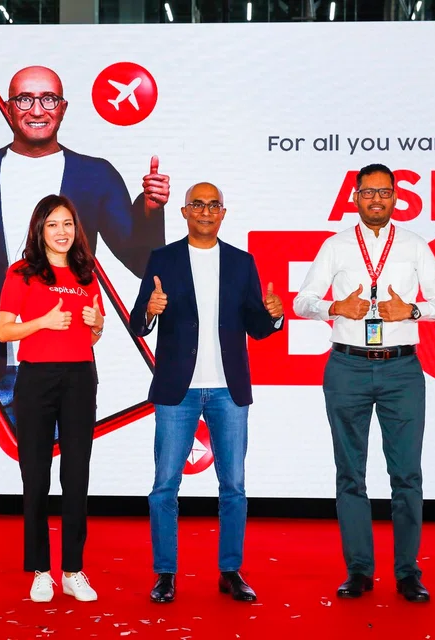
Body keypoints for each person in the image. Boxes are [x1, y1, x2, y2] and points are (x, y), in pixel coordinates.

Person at [0, 65, 170, 431]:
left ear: (63, 107)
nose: (36, 110)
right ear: (8, 107)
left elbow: (139, 259)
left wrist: (150, 210)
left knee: (59, 478)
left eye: (48, 99)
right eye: (24, 98)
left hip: (65, 361)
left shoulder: (96, 174)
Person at [293, 163, 435, 603]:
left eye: (384, 192)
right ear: (356, 197)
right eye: (368, 193)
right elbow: (301, 300)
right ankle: (359, 570)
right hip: (347, 368)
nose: (377, 200)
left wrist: (414, 312)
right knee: (350, 475)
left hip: (402, 370)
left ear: (396, 196)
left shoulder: (415, 245)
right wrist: (334, 308)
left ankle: (407, 573)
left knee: (407, 476)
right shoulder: (336, 245)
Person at [129, 182, 284, 604]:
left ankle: (230, 571)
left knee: (233, 485)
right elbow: (136, 322)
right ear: (183, 211)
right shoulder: (163, 259)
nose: (205, 211)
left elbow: (256, 325)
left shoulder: (240, 262)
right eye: (197, 204)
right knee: (165, 486)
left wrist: (274, 317)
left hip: (228, 389)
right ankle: (165, 574)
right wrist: (148, 311)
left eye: (213, 204)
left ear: (223, 212)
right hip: (176, 389)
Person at [0, 194, 106, 603]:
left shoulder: (85, 272)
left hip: (80, 377)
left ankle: (73, 569)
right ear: (40, 229)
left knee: (76, 477)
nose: (62, 232)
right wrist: (42, 322)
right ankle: (41, 570)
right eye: (53, 224)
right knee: (36, 478)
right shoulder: (22, 272)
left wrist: (96, 326)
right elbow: (4, 332)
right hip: (36, 379)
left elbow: (92, 332)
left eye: (68, 224)